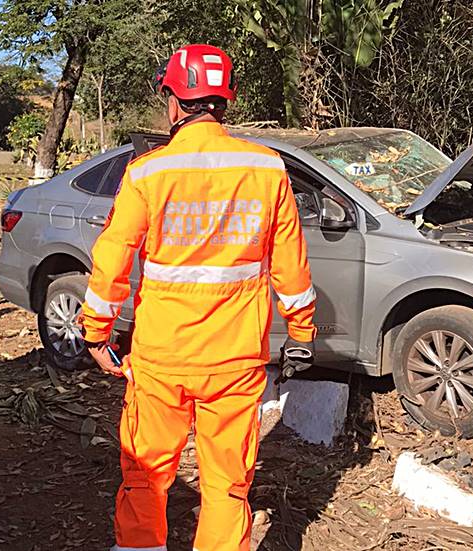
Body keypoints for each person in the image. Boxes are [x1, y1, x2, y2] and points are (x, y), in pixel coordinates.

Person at [80, 44, 317, 551]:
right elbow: (291, 265)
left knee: (145, 476)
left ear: (172, 100)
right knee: (227, 487)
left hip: (162, 359)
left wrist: (97, 333)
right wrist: (301, 330)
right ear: (224, 102)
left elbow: (113, 257)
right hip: (236, 359)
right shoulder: (267, 169)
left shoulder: (148, 172)